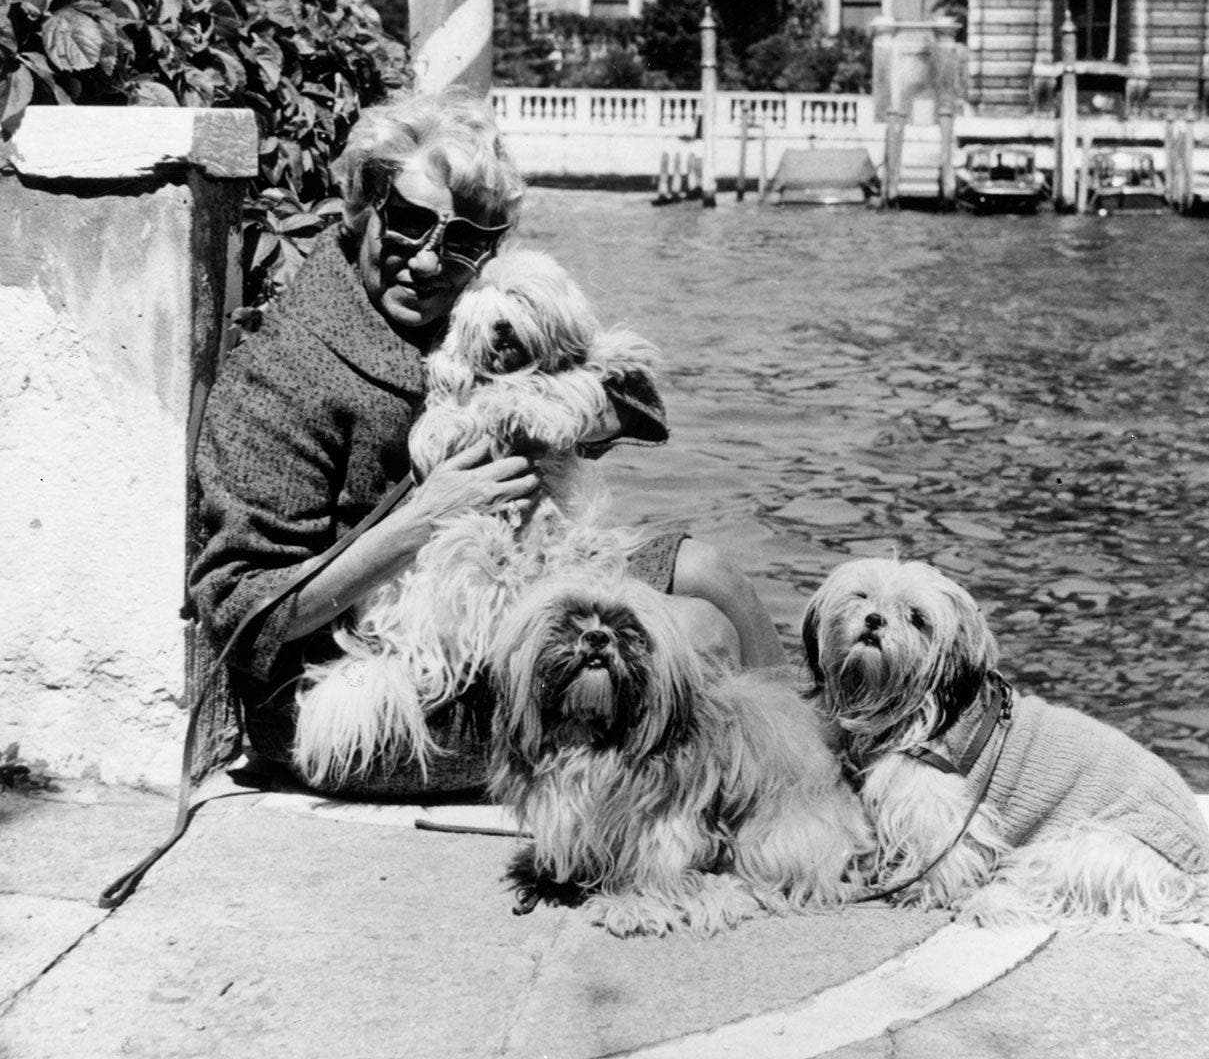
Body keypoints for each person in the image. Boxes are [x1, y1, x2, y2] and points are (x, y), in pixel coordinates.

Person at [188, 88, 785, 797]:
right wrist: (424, 516)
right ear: (364, 204)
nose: (431, 261)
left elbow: (637, 403)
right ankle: (772, 800)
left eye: (465, 239)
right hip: (372, 686)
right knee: (698, 637)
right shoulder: (285, 371)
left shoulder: (466, 317)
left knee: (717, 574)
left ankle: (818, 765)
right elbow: (240, 612)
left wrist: (569, 406)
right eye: (410, 222)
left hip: (513, 577)